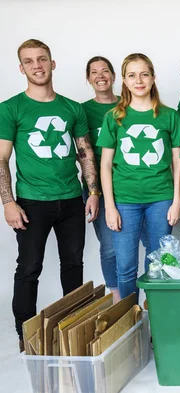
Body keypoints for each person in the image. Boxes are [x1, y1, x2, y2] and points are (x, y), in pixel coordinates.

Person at [0, 39, 99, 349]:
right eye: (29, 61)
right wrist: (8, 201)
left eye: (42, 59)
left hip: (71, 199)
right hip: (30, 201)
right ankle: (25, 333)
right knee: (29, 268)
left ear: (53, 63)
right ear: (21, 68)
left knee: (73, 265)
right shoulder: (10, 108)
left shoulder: (73, 108)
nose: (37, 65)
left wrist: (93, 191)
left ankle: (75, 329)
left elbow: (85, 153)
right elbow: (1, 158)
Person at [98, 53, 180, 302]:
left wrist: (176, 201)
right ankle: (131, 324)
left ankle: (158, 321)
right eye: (132, 75)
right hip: (124, 200)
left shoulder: (169, 116)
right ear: (124, 80)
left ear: (153, 77)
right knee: (125, 266)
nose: (139, 80)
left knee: (158, 264)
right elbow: (105, 165)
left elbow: (178, 162)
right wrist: (110, 206)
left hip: (161, 198)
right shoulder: (114, 117)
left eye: (144, 74)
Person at [81, 56, 120, 302]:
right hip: (98, 189)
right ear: (88, 79)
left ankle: (150, 295)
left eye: (105, 70)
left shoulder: (129, 104)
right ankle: (117, 297)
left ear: (114, 76)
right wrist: (94, 191)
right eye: (94, 72)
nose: (100, 75)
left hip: (131, 184)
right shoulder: (82, 110)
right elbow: (81, 151)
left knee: (151, 241)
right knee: (109, 245)